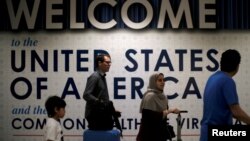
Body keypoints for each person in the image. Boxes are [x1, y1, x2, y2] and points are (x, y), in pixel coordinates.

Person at [199, 49, 250, 141]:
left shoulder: (212, 78)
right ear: (237, 66)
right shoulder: (227, 81)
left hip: (205, 132)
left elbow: (226, 109)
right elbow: (236, 111)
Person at [83, 54, 122, 133]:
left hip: (101, 114)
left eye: (110, 62)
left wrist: (111, 111)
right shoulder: (95, 77)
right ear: (99, 63)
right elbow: (86, 95)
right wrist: (100, 102)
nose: (109, 64)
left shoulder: (102, 77)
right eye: (107, 62)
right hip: (95, 115)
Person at [136, 72, 180, 141]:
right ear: (153, 82)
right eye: (159, 80)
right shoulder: (150, 96)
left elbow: (163, 119)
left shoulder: (164, 97)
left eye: (163, 80)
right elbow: (151, 118)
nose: (163, 82)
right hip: (148, 136)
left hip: (160, 135)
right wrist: (170, 111)